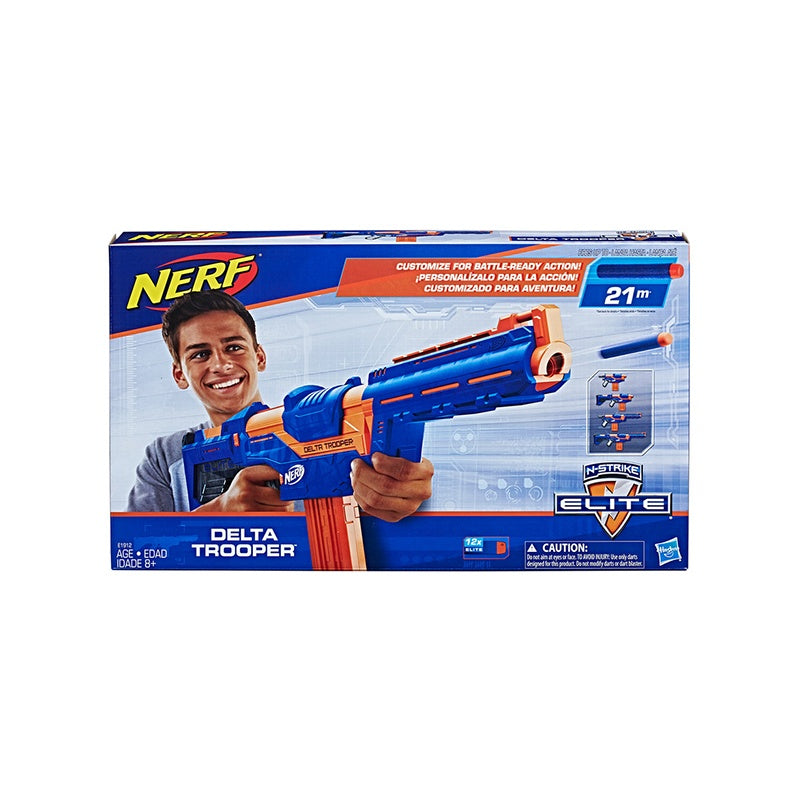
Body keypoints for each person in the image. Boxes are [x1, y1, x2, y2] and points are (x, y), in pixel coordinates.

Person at [127, 290, 434, 519]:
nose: (221, 365)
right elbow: (137, 548)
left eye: (233, 347)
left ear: (259, 356)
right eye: (200, 354)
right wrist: (218, 514)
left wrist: (396, 490)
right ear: (179, 375)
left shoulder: (322, 426)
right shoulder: (165, 456)